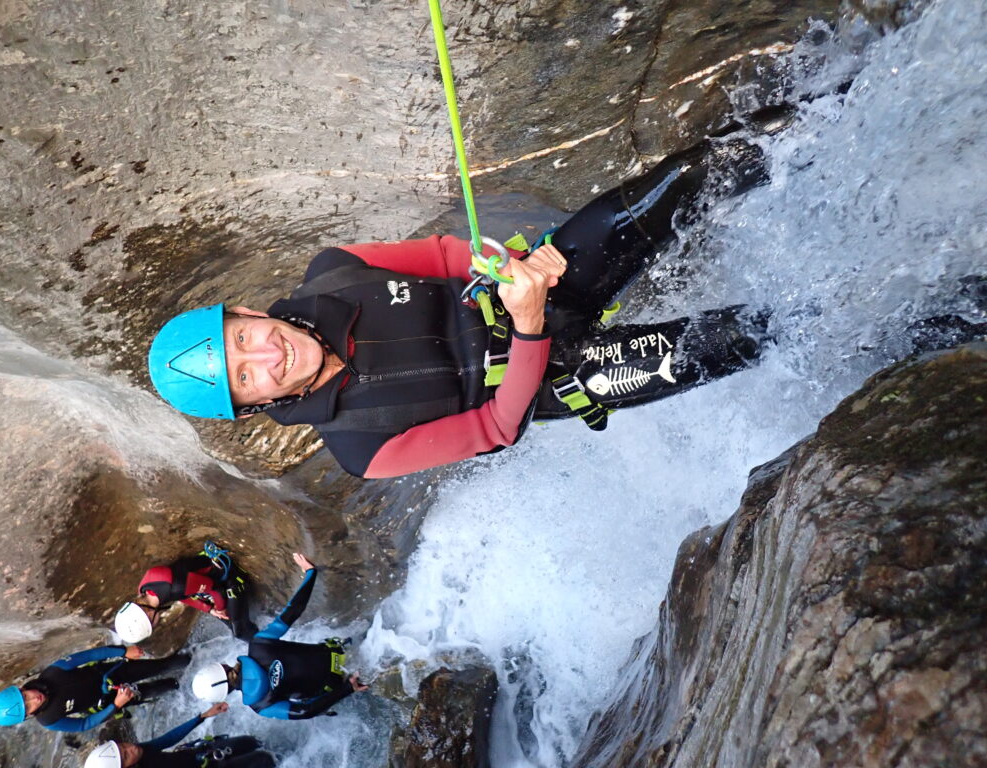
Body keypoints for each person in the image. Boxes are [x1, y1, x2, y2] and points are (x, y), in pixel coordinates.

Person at [148, 110, 790, 479]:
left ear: (249, 312)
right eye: (244, 379)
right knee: (743, 335)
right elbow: (496, 426)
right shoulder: (362, 449)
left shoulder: (337, 268)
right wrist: (531, 326)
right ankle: (859, 316)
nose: (265, 358)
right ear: (255, 405)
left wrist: (506, 266)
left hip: (535, 280)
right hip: (556, 376)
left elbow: (443, 255)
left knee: (680, 181)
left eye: (241, 339)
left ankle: (840, 109)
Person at [190, 553, 368, 720]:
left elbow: (304, 712)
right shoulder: (259, 645)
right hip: (339, 653)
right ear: (221, 668)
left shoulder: (260, 705)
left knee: (307, 701)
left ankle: (346, 693)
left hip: (337, 685)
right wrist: (310, 573)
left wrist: (348, 689)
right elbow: (292, 611)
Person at [0, 644, 189, 731]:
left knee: (162, 665)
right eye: (28, 706)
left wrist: (123, 652)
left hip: (113, 673)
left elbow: (89, 655)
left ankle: (192, 660)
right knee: (155, 689)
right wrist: (116, 705)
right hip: (109, 700)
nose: (34, 699)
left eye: (26, 696)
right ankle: (179, 685)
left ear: (21, 688)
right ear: (28, 716)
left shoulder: (52, 673)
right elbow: (84, 725)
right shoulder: (49, 720)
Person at [115, 542, 257, 643]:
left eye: (151, 625)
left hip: (228, 576)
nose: (155, 625)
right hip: (201, 571)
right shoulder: (145, 590)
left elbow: (217, 590)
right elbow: (183, 596)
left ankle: (268, 645)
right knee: (228, 621)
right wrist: (209, 609)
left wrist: (220, 608)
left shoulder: (175, 587)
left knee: (239, 631)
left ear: (149, 614)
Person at [83, 702, 276, 768]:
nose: (131, 748)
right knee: (264, 759)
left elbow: (168, 739)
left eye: (123, 746)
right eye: (125, 755)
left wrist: (203, 716)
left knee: (251, 742)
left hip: (199, 755)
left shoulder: (141, 752)